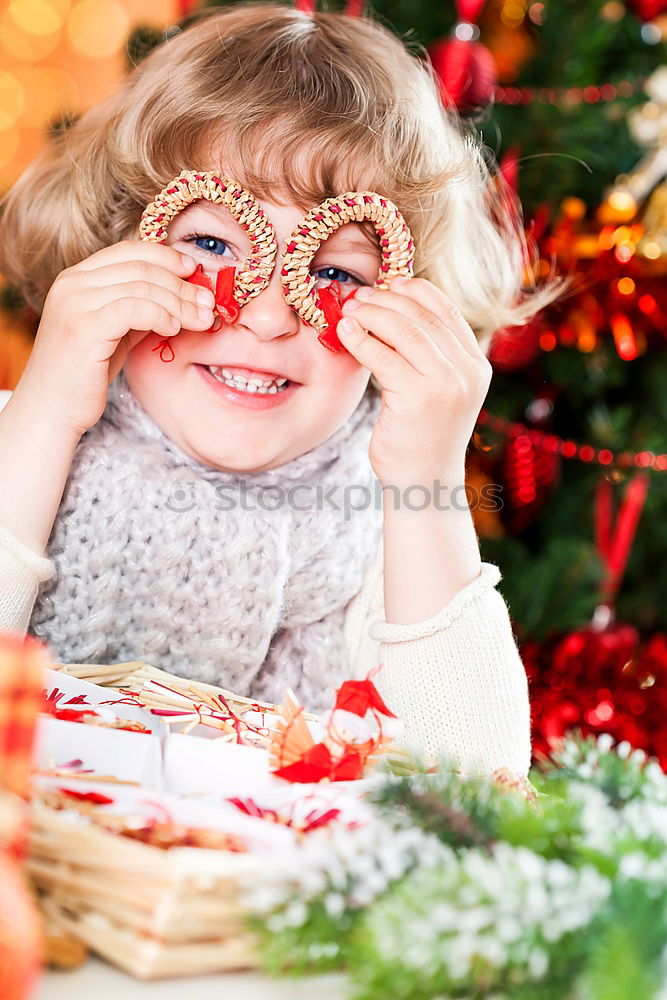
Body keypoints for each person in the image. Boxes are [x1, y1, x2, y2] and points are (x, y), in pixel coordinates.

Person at [0, 2, 565, 777]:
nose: (267, 315)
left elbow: (476, 790)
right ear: (114, 243)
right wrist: (42, 413)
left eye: (335, 272)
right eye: (209, 243)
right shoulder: (22, 444)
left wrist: (426, 478)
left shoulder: (387, 541)